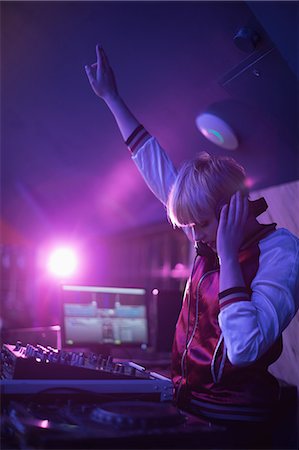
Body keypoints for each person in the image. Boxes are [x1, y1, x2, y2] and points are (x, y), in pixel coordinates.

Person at [85, 44, 299, 442]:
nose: (194, 236)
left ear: (233, 208)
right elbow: (155, 167)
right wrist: (112, 97)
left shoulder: (281, 253)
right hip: (191, 404)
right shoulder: (206, 233)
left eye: (199, 225)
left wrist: (231, 258)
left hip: (237, 421)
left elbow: (244, 349)